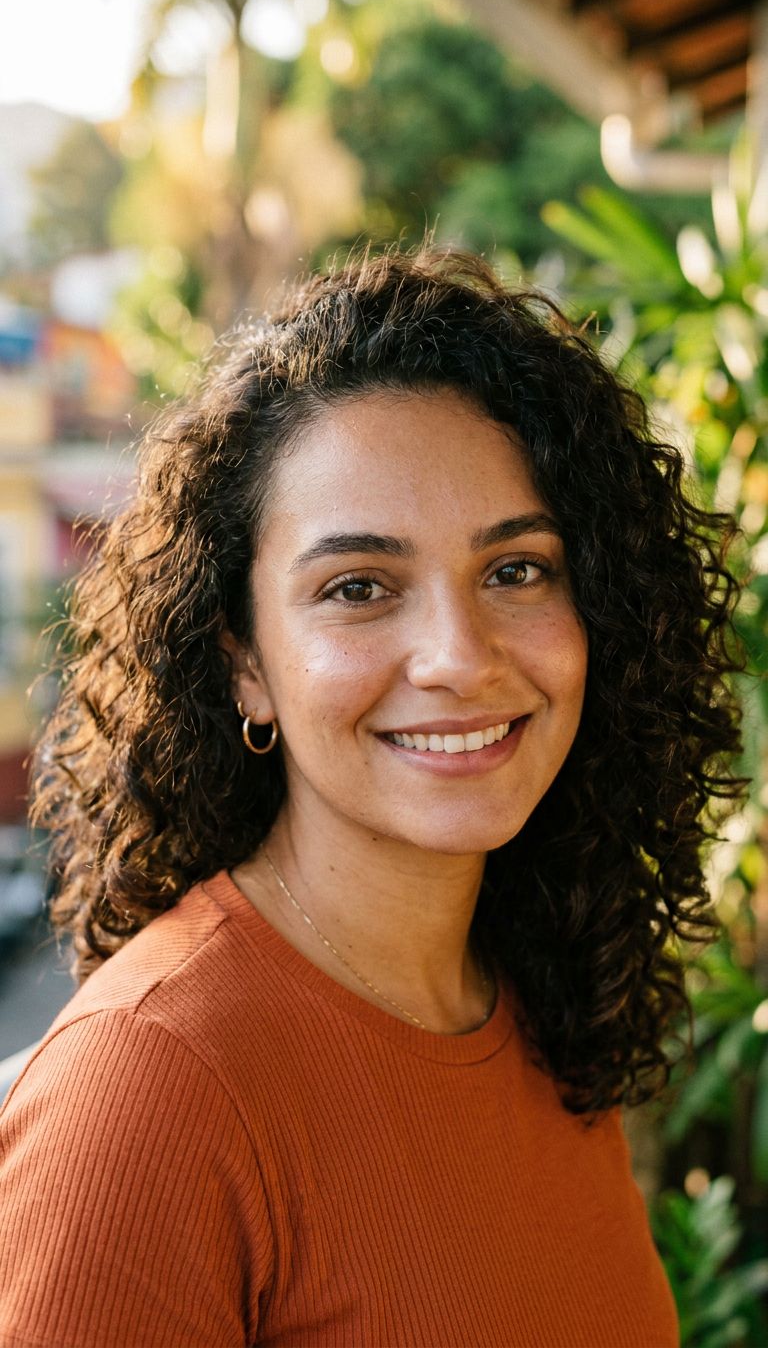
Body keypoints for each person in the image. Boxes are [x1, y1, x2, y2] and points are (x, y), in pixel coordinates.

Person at [0, 248, 742, 1347]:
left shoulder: (545, 1002)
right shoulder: (151, 1087)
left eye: (516, 569)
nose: (457, 654)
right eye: (358, 587)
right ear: (245, 659)